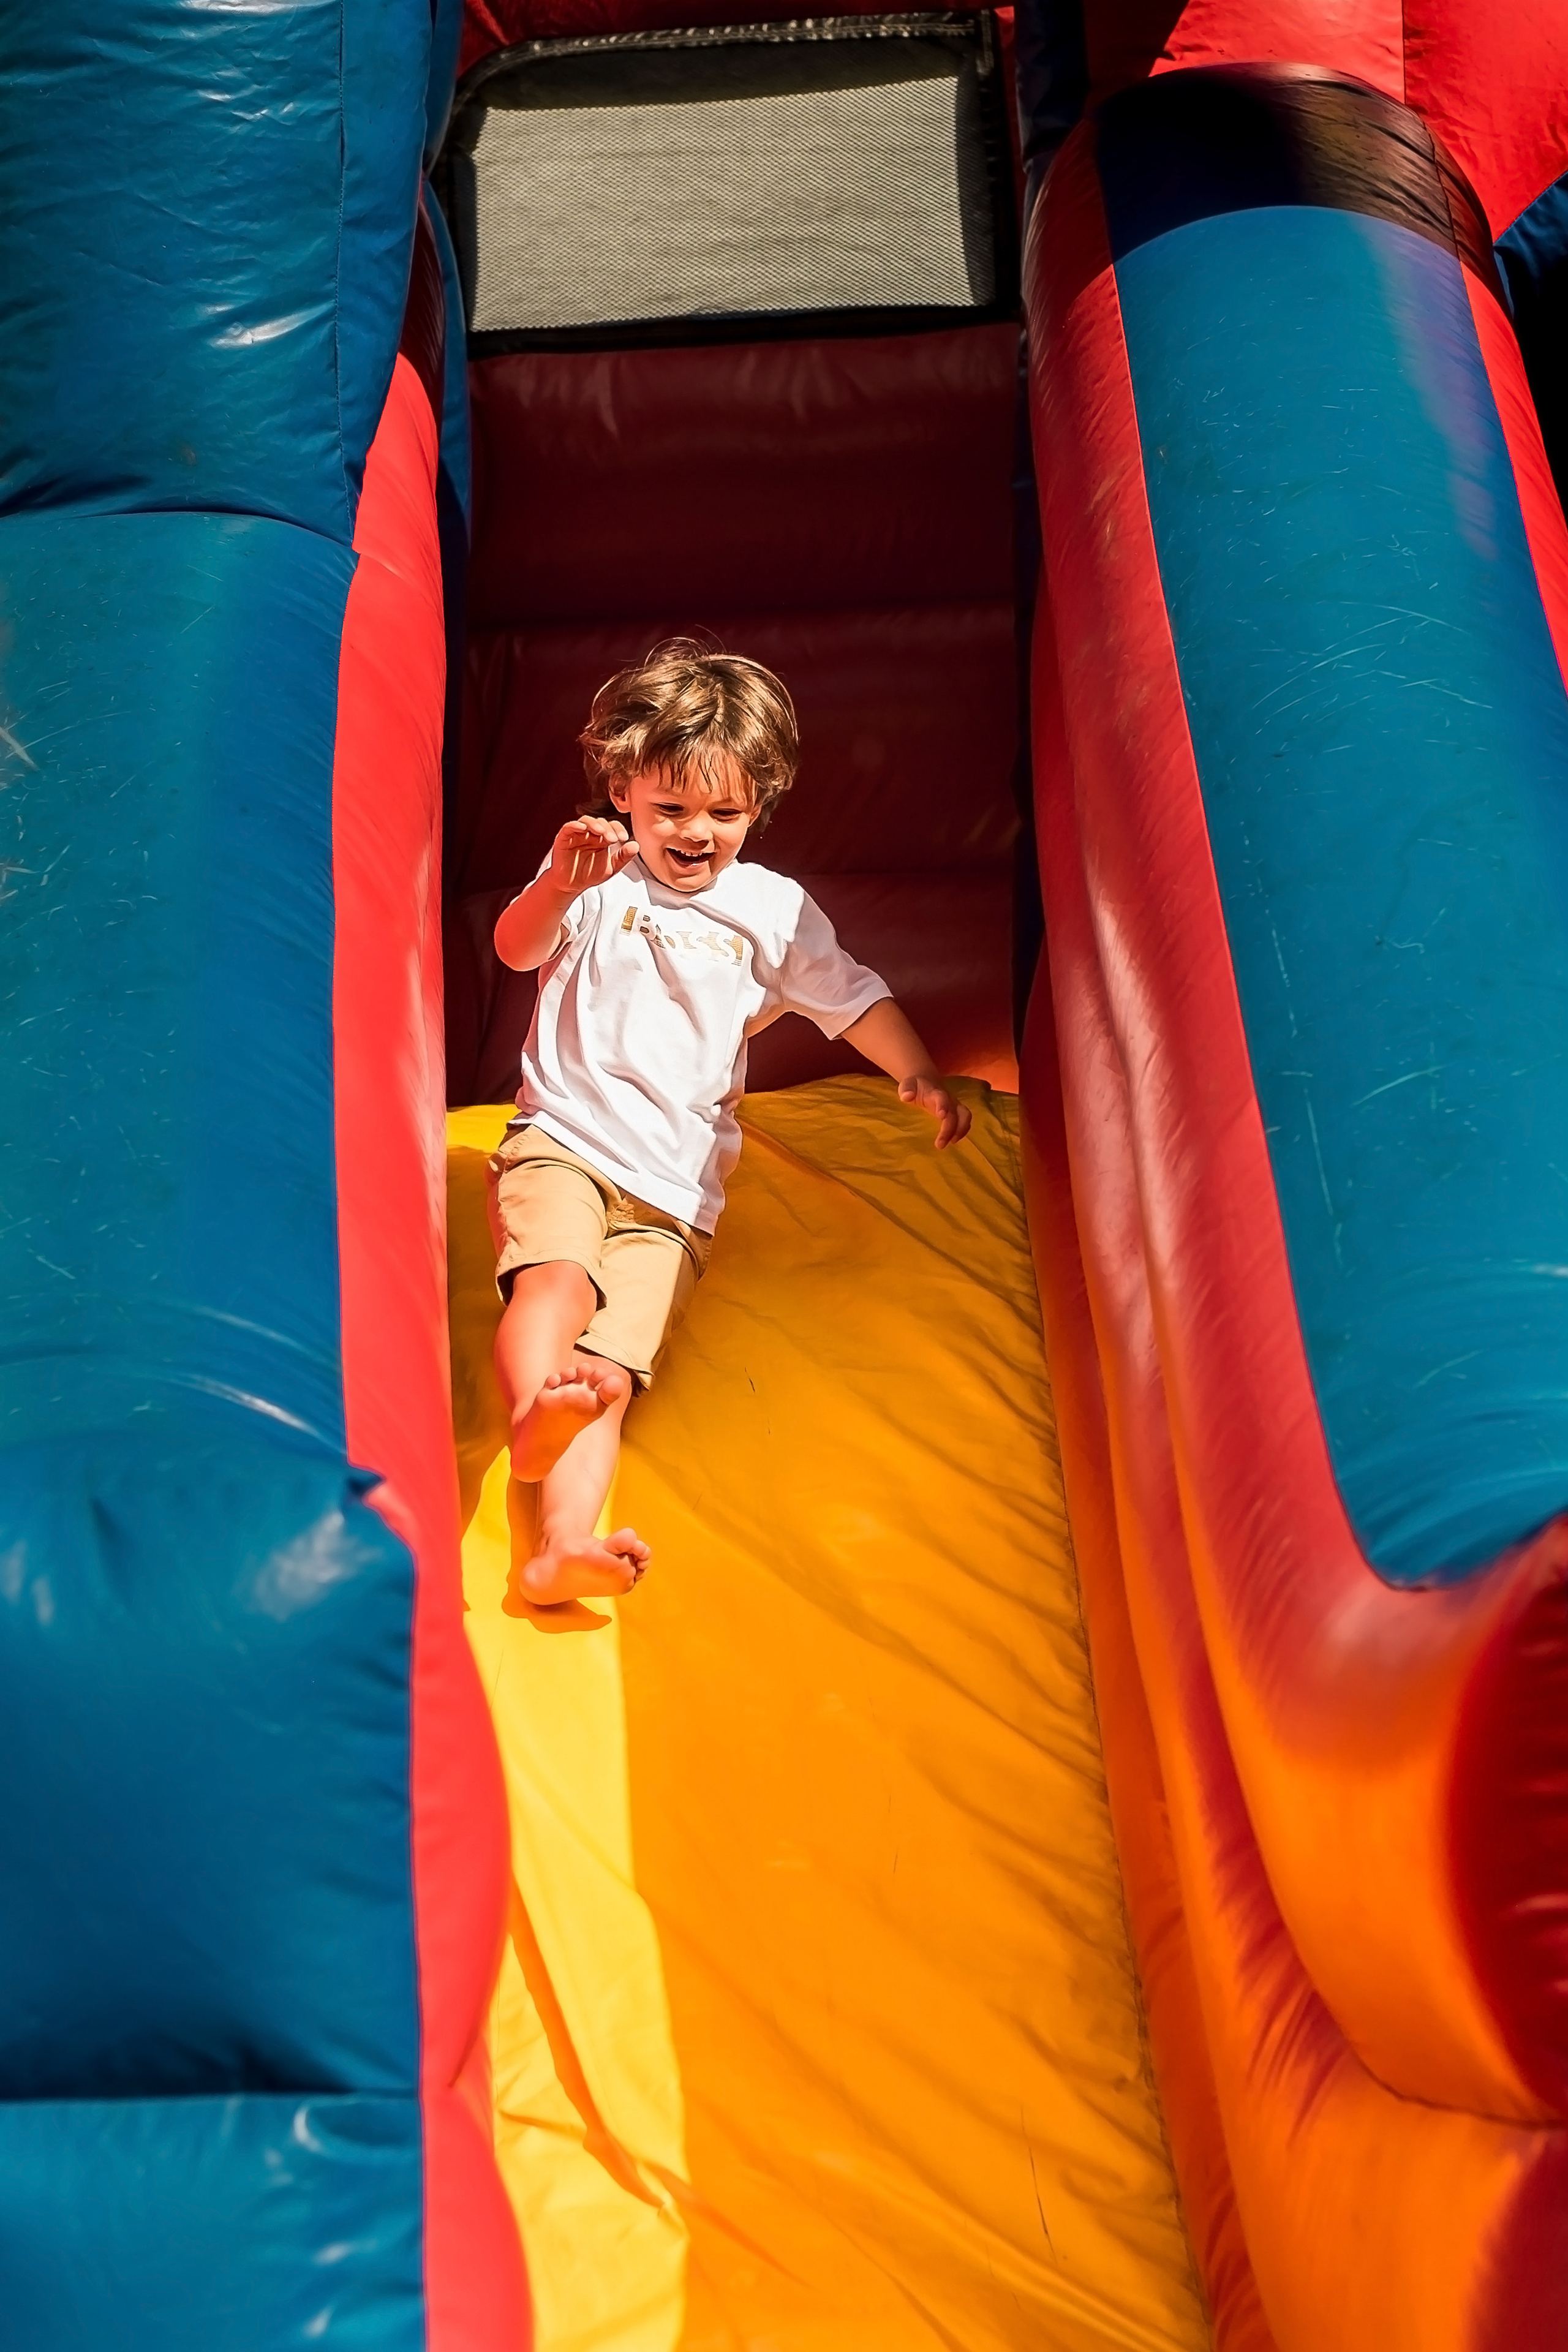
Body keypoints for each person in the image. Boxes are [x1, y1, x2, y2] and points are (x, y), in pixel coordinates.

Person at [489, 638, 971, 1604]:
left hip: (676, 1193)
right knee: (555, 1280)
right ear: (623, 788)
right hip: (567, 1136)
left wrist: (917, 1070)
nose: (696, 831)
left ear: (760, 804)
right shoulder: (597, 871)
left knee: (612, 1376)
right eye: (671, 807)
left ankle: (560, 1545)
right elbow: (513, 949)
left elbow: (851, 998)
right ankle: (531, 1412)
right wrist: (557, 887)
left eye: (726, 811)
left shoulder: (774, 910)